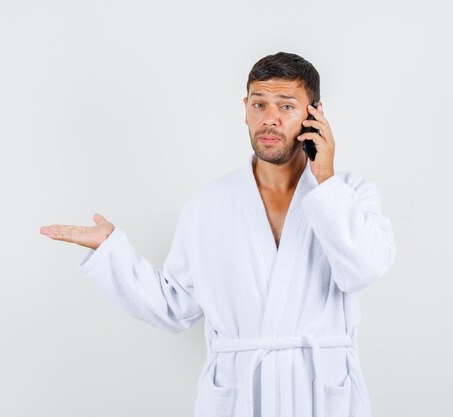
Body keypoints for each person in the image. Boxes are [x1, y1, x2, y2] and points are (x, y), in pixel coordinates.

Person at [40, 51, 396, 417]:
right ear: (245, 109)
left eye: (286, 106)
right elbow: (174, 307)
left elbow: (363, 269)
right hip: (240, 396)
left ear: (315, 115)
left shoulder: (349, 193)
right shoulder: (209, 204)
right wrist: (110, 251)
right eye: (259, 104)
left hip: (319, 394)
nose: (269, 119)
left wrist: (325, 181)